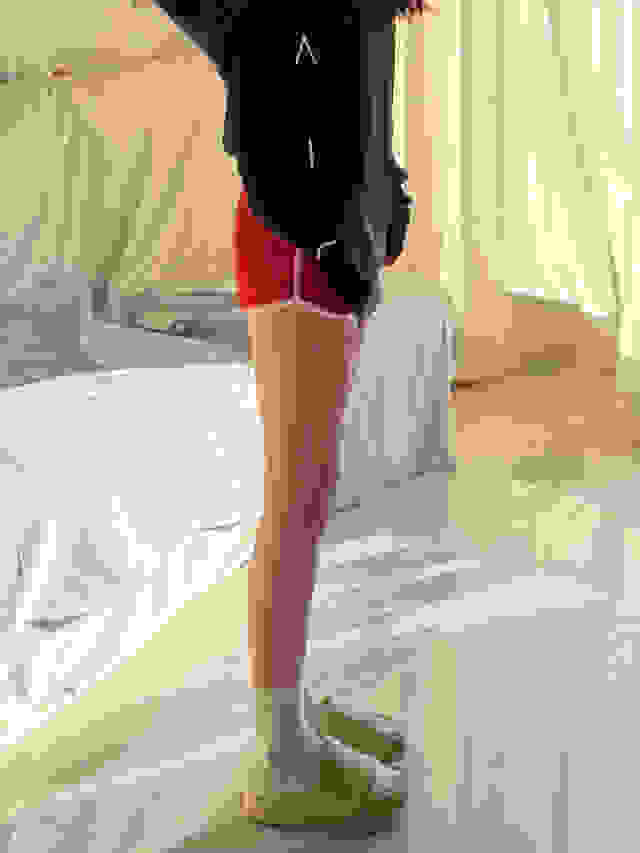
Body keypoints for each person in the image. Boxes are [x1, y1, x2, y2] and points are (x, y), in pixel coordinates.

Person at [151, 0, 437, 825]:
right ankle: (280, 753)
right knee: (297, 495)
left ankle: (292, 715)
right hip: (301, 244)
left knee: (307, 494)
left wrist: (382, 201)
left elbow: (352, 95)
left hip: (326, 240)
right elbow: (268, 96)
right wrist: (330, 231)